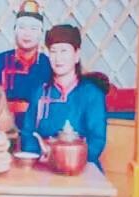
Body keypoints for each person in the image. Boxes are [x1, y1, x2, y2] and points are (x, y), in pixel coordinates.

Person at [21, 24, 107, 167]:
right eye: (53, 51)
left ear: (76, 55)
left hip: (80, 167)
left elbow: (97, 141)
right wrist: (41, 155)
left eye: (64, 51)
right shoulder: (40, 92)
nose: (58, 58)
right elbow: (27, 133)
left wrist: (68, 158)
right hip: (44, 166)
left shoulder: (92, 94)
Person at [0, 1, 52, 133]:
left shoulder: (48, 63)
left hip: (38, 131)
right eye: (22, 27)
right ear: (14, 30)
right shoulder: (0, 61)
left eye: (33, 29)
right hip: (4, 130)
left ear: (41, 33)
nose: (27, 34)